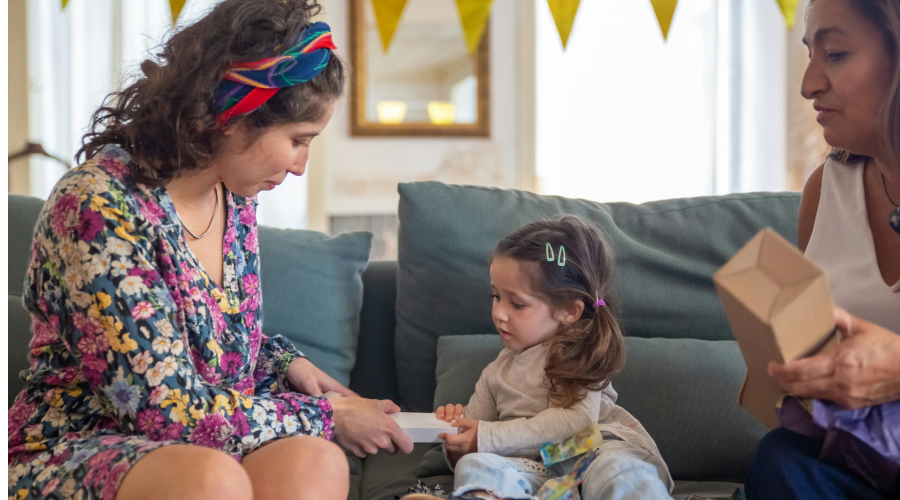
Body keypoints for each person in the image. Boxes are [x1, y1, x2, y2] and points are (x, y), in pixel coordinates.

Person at [7, 2, 413, 499]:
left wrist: (283, 363)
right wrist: (328, 414)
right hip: (79, 446)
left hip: (204, 441)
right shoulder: (96, 206)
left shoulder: (235, 196)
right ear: (233, 117)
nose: (301, 166)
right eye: (297, 140)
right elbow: (163, 410)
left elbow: (203, 334)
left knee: (315, 461)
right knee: (210, 481)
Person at [744, 0, 900, 498]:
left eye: (834, 54)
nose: (808, 84)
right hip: (863, 461)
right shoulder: (825, 190)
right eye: (811, 54)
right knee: (781, 460)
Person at [407, 217, 673, 500]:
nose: (499, 312)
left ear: (569, 310)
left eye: (517, 303)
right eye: (496, 297)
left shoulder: (580, 350)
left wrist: (487, 436)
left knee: (617, 469)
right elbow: (477, 434)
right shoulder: (495, 373)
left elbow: (576, 422)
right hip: (538, 470)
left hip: (592, 448)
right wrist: (458, 442)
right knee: (476, 465)